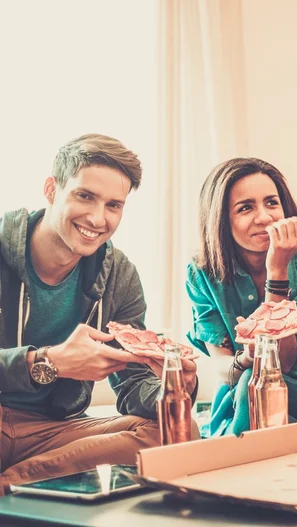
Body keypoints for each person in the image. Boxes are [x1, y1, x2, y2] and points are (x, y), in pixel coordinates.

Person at [0, 134, 199, 491]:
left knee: (177, 429)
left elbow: (133, 383)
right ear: (51, 189)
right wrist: (50, 362)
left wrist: (173, 389)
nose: (97, 218)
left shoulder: (119, 275)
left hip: (54, 430)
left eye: (113, 205)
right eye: (85, 196)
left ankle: (16, 480)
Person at [186, 157, 297, 437]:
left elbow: (284, 363)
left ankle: (230, 460)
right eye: (245, 208)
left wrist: (277, 271)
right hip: (235, 394)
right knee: (248, 384)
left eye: (271, 203)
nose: (264, 217)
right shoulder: (202, 273)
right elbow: (220, 366)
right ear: (220, 219)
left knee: (255, 382)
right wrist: (244, 359)